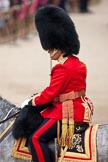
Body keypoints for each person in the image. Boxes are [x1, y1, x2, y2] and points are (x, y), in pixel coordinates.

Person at [22, 5, 94, 162]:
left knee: (35, 139)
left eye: (51, 47)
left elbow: (50, 94)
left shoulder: (63, 68)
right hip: (80, 110)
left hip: (66, 114)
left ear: (59, 44)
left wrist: (32, 101)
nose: (49, 50)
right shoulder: (77, 63)